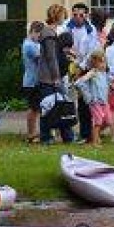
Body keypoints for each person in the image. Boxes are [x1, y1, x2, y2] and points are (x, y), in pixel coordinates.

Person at [35, 9, 73, 144]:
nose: (64, 18)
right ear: (56, 16)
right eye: (63, 15)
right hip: (49, 78)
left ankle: (66, 136)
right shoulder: (49, 34)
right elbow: (51, 58)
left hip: (48, 77)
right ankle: (47, 137)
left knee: (58, 106)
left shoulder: (49, 32)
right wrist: (57, 77)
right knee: (49, 107)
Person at [67, 3, 100, 143]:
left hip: (84, 68)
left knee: (84, 102)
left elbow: (91, 51)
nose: (78, 18)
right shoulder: (67, 27)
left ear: (86, 15)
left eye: (81, 15)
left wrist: (80, 67)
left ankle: (85, 133)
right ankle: (66, 133)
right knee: (67, 101)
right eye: (75, 15)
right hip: (69, 66)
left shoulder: (91, 29)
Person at [73, 49, 113, 145]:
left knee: (108, 121)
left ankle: (94, 135)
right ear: (95, 63)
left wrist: (111, 85)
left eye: (104, 62)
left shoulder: (105, 74)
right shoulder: (93, 72)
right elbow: (79, 83)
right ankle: (95, 141)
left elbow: (107, 83)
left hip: (104, 101)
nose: (104, 65)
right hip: (95, 101)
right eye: (101, 62)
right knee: (98, 121)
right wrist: (88, 95)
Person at [21, 21, 44, 143]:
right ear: (33, 32)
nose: (40, 38)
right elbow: (40, 59)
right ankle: (31, 134)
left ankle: (35, 133)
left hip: (36, 81)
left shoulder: (35, 44)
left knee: (37, 108)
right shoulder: (29, 45)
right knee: (33, 109)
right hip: (31, 82)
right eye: (39, 35)